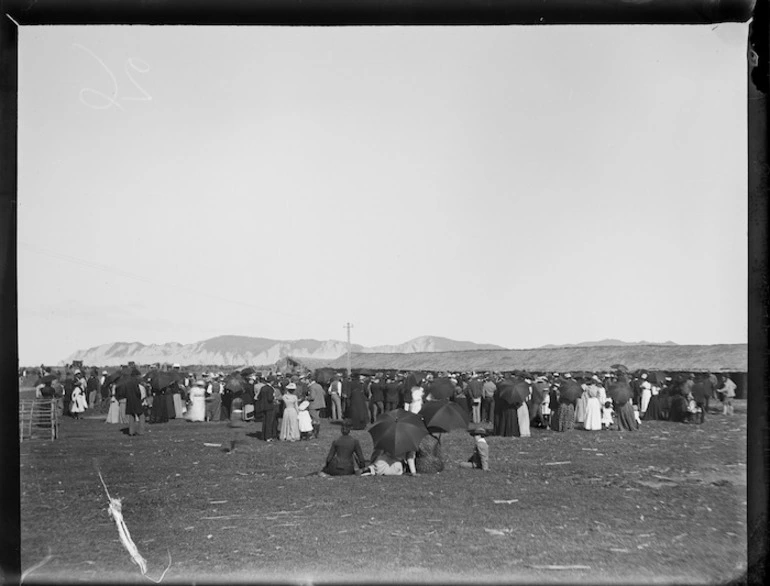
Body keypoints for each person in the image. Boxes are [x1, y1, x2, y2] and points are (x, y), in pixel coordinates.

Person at [120, 369, 146, 436]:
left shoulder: (127, 382)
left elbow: (123, 392)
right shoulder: (135, 382)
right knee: (141, 415)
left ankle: (131, 431)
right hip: (136, 401)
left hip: (129, 401)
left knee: (131, 416)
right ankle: (141, 431)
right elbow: (138, 392)